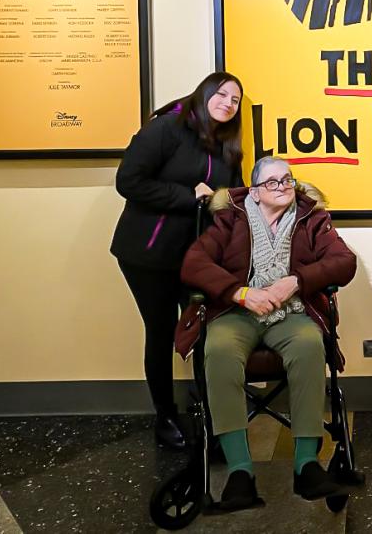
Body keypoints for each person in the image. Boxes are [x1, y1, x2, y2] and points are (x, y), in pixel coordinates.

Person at [179, 157, 357, 510]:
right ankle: (240, 472)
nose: (284, 186)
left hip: (290, 313)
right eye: (273, 182)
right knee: (218, 349)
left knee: (309, 344)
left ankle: (306, 464)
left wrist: (297, 281)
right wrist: (240, 292)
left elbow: (344, 261)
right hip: (237, 312)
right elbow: (193, 264)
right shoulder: (230, 219)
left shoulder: (311, 219)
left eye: (287, 179)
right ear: (256, 192)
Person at [110, 72, 245, 448]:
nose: (228, 104)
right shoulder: (165, 129)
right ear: (203, 94)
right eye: (222, 94)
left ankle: (213, 416)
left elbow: (228, 199)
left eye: (235, 100)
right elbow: (129, 182)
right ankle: (165, 416)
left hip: (197, 258)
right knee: (161, 331)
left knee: (208, 332)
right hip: (148, 254)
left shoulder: (227, 145)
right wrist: (189, 195)